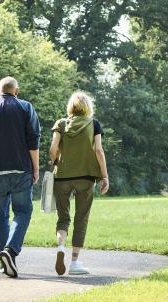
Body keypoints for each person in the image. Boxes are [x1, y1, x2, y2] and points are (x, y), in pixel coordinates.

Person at [0, 76, 41, 278]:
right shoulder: (26, 108)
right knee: (23, 211)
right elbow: (33, 141)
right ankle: (10, 251)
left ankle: (5, 262)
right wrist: (35, 168)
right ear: (16, 91)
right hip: (21, 170)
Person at [49, 91, 109, 275]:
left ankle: (60, 248)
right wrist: (104, 176)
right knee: (81, 218)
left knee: (63, 218)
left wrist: (55, 163)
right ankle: (74, 263)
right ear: (88, 107)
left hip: (62, 178)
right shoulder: (94, 124)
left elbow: (53, 149)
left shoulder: (61, 123)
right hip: (86, 178)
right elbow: (98, 150)